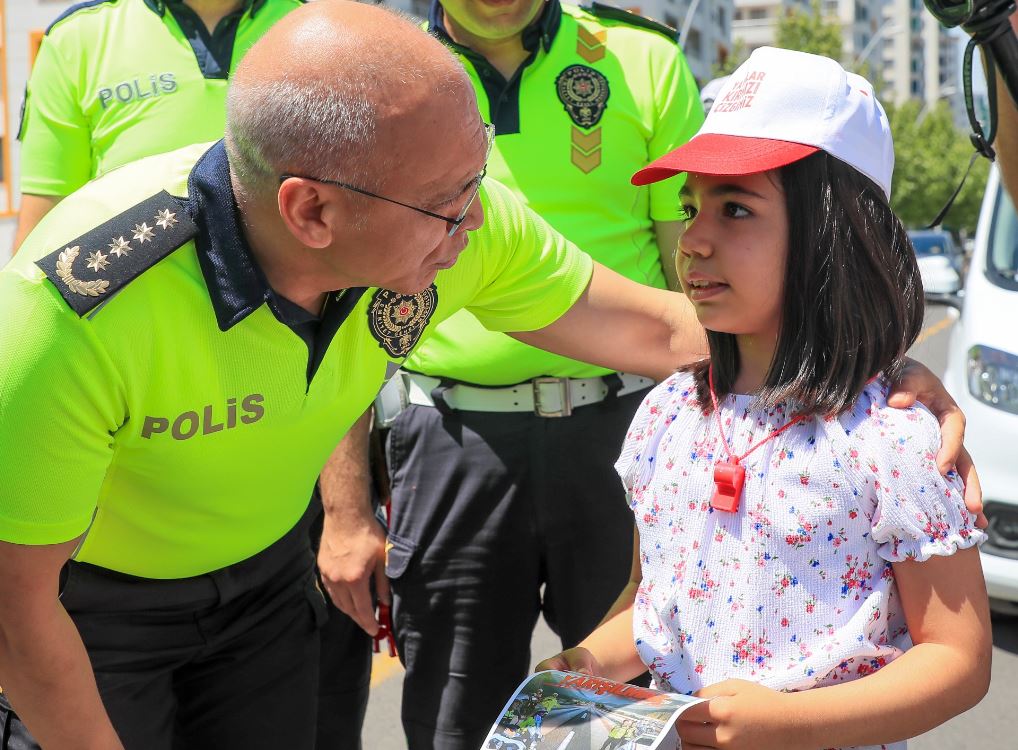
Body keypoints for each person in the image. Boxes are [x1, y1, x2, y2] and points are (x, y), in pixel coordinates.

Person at [0, 1, 745, 747]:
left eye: (476, 177)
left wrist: (840, 344)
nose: (477, 219)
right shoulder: (71, 315)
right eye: (447, 202)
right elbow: (16, 606)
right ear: (312, 212)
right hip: (89, 609)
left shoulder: (451, 222)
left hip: (265, 584)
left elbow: (654, 327)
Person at [539, 47, 992, 750]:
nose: (694, 239)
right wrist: (588, 664)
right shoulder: (667, 415)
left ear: (834, 232)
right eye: (691, 206)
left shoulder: (892, 437)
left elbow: (958, 659)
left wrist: (787, 725)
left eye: (737, 209)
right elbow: (655, 604)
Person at [320, 3, 703, 747]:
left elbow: (701, 277)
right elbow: (340, 318)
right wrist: (345, 510)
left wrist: (858, 371)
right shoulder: (379, 78)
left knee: (631, 704)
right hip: (448, 436)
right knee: (453, 712)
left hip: (626, 436)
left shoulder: (642, 59)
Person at [10, 1, 373, 747]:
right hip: (109, 539)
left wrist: (345, 508)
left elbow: (341, 321)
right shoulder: (83, 39)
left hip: (267, 530)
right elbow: (41, 257)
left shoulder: (316, 27)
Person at [13, 0, 302, 252]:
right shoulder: (75, 38)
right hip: (126, 306)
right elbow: (43, 226)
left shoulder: (311, 28)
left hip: (282, 307)